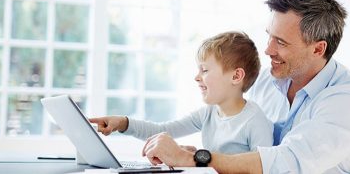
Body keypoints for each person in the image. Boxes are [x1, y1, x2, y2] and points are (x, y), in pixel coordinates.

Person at [138, 0, 350, 174]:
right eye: (270, 36)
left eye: (281, 42)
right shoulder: (266, 80)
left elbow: (284, 162)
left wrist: (195, 158)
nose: (268, 50)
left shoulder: (346, 101)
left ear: (318, 49)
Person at [90, 31, 273, 156]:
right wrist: (122, 123)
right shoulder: (208, 114)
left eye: (205, 70)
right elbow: (163, 131)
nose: (197, 77)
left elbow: (262, 169)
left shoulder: (255, 121)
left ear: (236, 76)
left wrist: (196, 159)